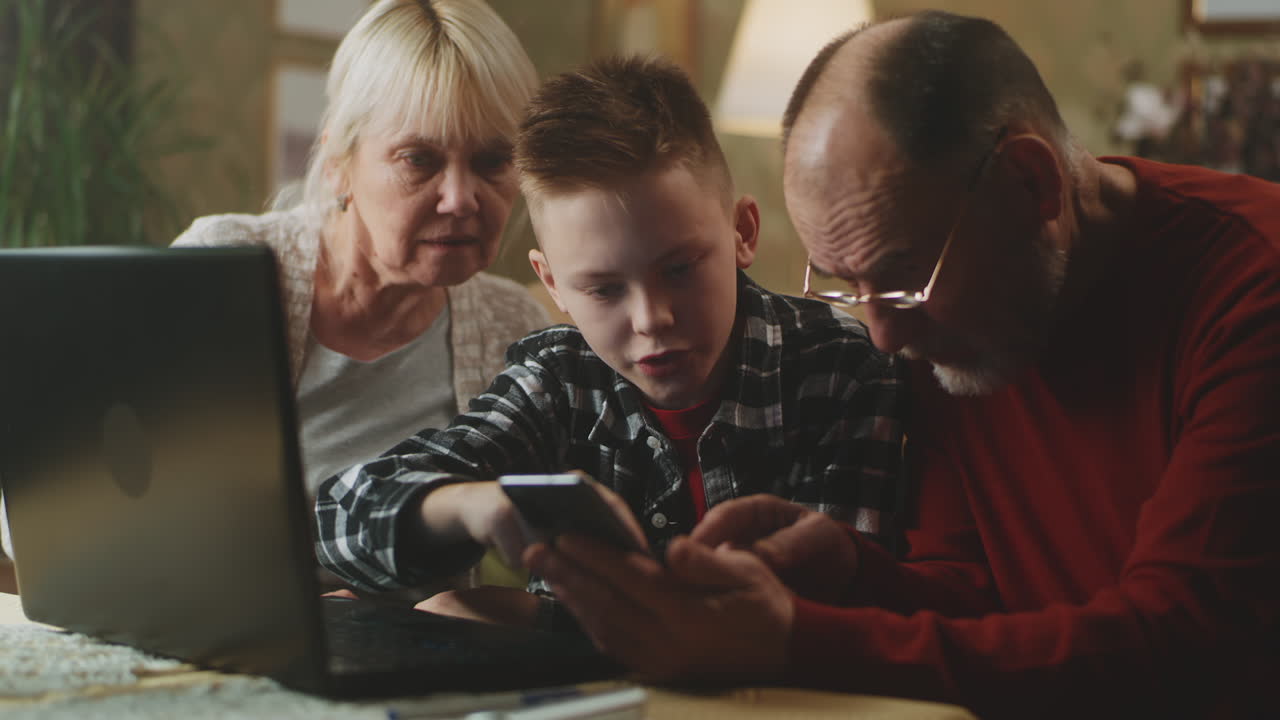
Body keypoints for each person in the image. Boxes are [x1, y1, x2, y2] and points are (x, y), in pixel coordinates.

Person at [524, 11, 1280, 720]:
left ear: (1031, 182)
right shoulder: (960, 328)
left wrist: (794, 640)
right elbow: (976, 603)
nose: (882, 335)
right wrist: (848, 571)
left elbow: (1181, 644)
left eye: (901, 276)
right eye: (847, 284)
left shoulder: (1251, 288)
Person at [314, 55, 906, 629]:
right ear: (554, 285)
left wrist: (542, 620)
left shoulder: (842, 368)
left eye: (680, 269)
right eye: (602, 289)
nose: (651, 319)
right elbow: (341, 515)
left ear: (742, 231)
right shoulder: (557, 379)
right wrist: (475, 504)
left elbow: (830, 613)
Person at [167, 0, 550, 595]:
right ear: (339, 166)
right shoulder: (225, 267)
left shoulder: (512, 326)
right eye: (418, 159)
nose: (460, 198)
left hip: (411, 665)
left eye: (492, 161)